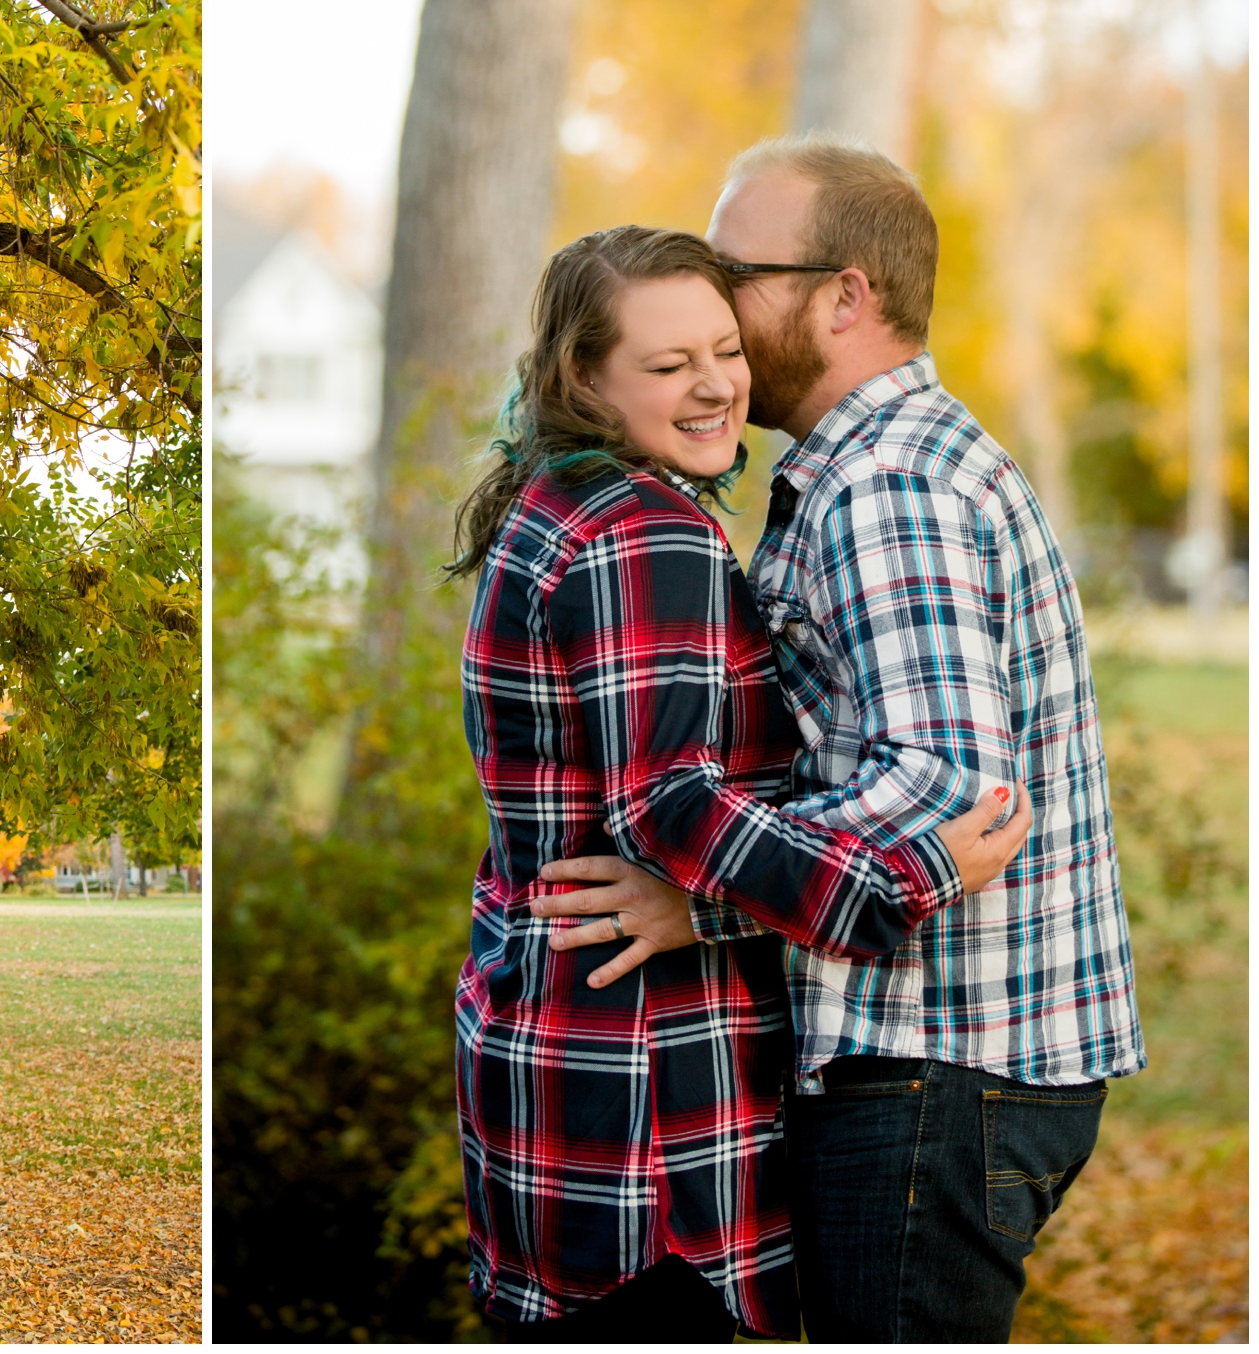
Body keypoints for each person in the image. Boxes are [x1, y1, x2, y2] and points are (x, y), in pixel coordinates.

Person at [540, 136, 1145, 1341]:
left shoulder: (886, 487)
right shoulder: (888, 463)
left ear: (844, 298)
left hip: (932, 1066)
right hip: (952, 1066)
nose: (712, 297)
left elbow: (941, 792)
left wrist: (692, 902)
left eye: (735, 270)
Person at [452, 225, 1029, 1342]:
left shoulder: (558, 505)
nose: (716, 386)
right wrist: (895, 881)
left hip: (559, 1054)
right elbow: (667, 806)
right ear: (583, 376)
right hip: (647, 1107)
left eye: (723, 349)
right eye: (669, 368)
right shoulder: (641, 532)